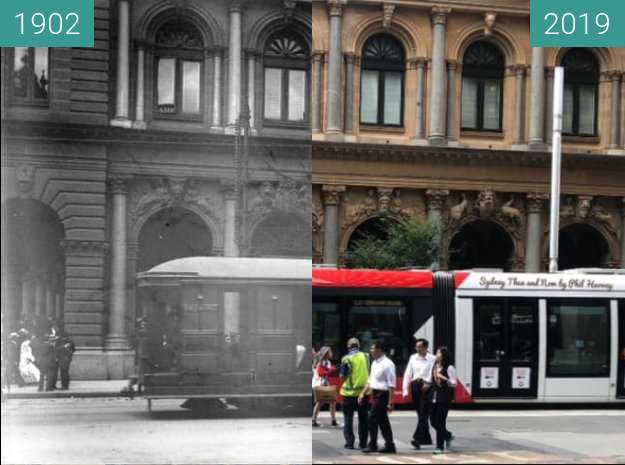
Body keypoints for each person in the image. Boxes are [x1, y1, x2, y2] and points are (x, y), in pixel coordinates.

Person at [359, 341, 396, 454]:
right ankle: (390, 445)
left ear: (379, 350)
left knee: (372, 418)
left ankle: (373, 444)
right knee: (383, 421)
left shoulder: (388, 364)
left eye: (373, 349)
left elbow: (391, 385)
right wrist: (362, 393)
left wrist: (390, 402)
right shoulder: (374, 363)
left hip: (383, 394)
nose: (371, 351)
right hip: (375, 394)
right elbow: (370, 380)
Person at [402, 338, 436, 449]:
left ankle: (417, 438)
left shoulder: (432, 359)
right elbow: (408, 373)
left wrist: (429, 382)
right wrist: (405, 390)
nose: (417, 349)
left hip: (427, 387)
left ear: (426, 347)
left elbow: (434, 373)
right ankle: (430, 438)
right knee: (420, 413)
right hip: (415, 386)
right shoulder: (413, 358)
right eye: (416, 347)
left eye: (419, 347)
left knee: (423, 413)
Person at [339, 337, 370, 450]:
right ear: (359, 346)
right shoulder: (366, 357)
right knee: (363, 419)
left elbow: (342, 376)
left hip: (349, 394)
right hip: (364, 393)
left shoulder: (346, 359)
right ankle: (363, 443)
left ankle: (350, 443)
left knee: (348, 418)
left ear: (348, 347)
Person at [430, 347, 457, 455]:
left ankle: (439, 447)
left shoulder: (449, 368)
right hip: (433, 397)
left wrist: (444, 378)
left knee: (440, 422)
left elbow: (454, 383)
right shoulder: (435, 366)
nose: (436, 355)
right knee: (433, 421)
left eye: (438, 353)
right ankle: (447, 435)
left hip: (444, 398)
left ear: (443, 355)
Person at [312, 346, 338, 427]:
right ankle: (313, 420)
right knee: (320, 402)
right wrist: (331, 370)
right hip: (319, 384)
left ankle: (333, 420)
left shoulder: (328, 362)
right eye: (329, 352)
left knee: (332, 401)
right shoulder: (321, 362)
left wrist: (331, 371)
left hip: (324, 384)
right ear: (326, 353)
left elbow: (327, 374)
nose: (331, 353)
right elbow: (321, 373)